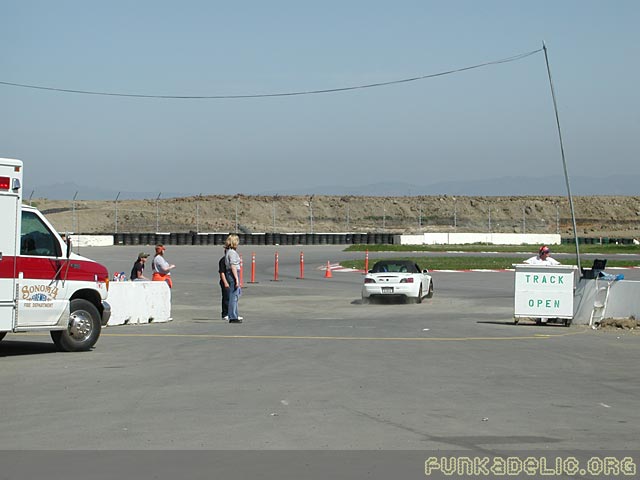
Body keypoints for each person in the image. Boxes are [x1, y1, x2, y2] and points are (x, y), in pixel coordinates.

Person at [224, 234, 243, 323]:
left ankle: (234, 314)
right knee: (233, 295)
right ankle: (232, 316)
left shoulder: (229, 251)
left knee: (235, 295)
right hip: (233, 273)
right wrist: (237, 279)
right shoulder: (231, 252)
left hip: (232, 273)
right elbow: (233, 266)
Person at [218, 244, 230, 321]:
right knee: (226, 298)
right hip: (225, 280)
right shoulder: (223, 260)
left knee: (232, 298)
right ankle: (225, 313)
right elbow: (221, 273)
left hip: (231, 281)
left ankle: (231, 313)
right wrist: (225, 282)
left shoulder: (231, 260)